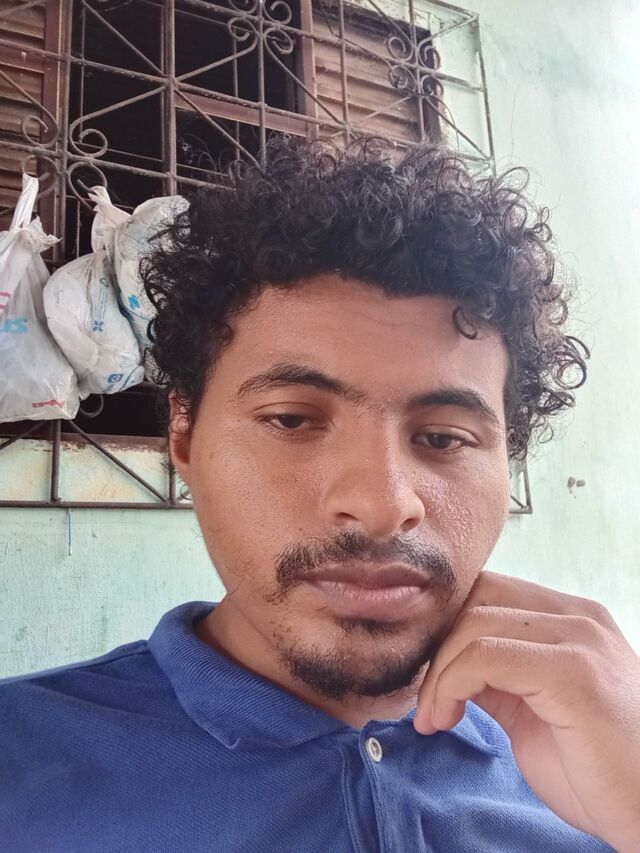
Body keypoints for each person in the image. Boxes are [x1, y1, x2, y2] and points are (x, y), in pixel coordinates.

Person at [1, 136, 638, 853]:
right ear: (184, 434)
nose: (383, 505)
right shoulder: (18, 765)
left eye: (444, 437)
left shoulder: (599, 769)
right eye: (291, 419)